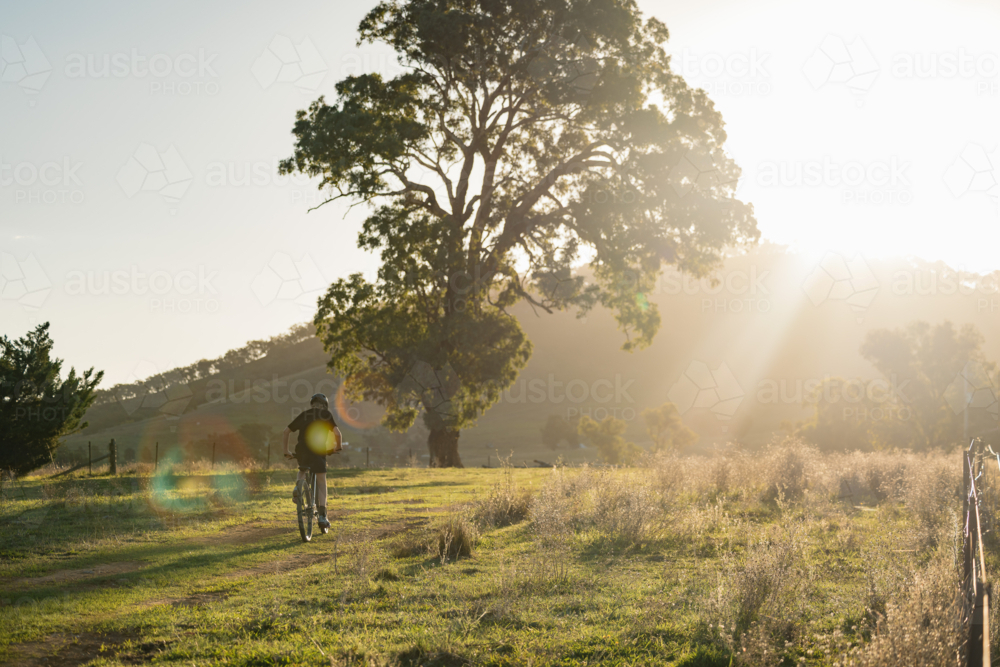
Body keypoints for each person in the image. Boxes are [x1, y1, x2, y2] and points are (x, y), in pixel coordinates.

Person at [283, 392, 342, 530]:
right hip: (318, 450)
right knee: (321, 482)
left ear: (312, 405)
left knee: (302, 469)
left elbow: (286, 431)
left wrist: (286, 451)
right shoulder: (326, 415)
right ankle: (322, 516)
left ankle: (298, 488)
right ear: (324, 406)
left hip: (302, 450)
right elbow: (337, 434)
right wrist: (337, 448)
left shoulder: (305, 414)